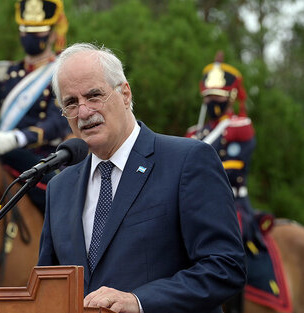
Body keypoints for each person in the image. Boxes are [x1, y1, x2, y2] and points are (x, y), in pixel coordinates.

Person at [37, 43, 246, 313]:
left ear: (125, 94)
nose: (84, 112)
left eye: (94, 96)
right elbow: (48, 288)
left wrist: (139, 301)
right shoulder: (59, 187)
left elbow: (225, 267)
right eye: (71, 103)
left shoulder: (188, 161)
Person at [185, 53, 276, 313]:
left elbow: (231, 171)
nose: (212, 102)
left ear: (231, 99)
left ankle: (236, 304)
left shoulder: (239, 126)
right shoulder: (194, 133)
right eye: (208, 97)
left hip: (232, 201)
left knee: (233, 239)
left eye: (218, 98)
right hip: (195, 202)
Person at [0, 0, 71, 213]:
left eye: (38, 31)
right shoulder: (10, 73)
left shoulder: (60, 71)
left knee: (60, 196)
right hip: (1, 152)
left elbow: (57, 121)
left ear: (52, 33)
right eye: (26, 30)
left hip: (41, 155)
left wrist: (18, 138)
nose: (30, 37)